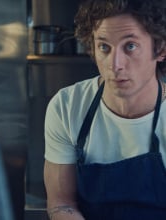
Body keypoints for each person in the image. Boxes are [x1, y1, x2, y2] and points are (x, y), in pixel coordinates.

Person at [43, 0, 166, 219]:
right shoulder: (66, 107)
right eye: (104, 47)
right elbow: (62, 204)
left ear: (160, 49)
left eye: (130, 46)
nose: (115, 64)